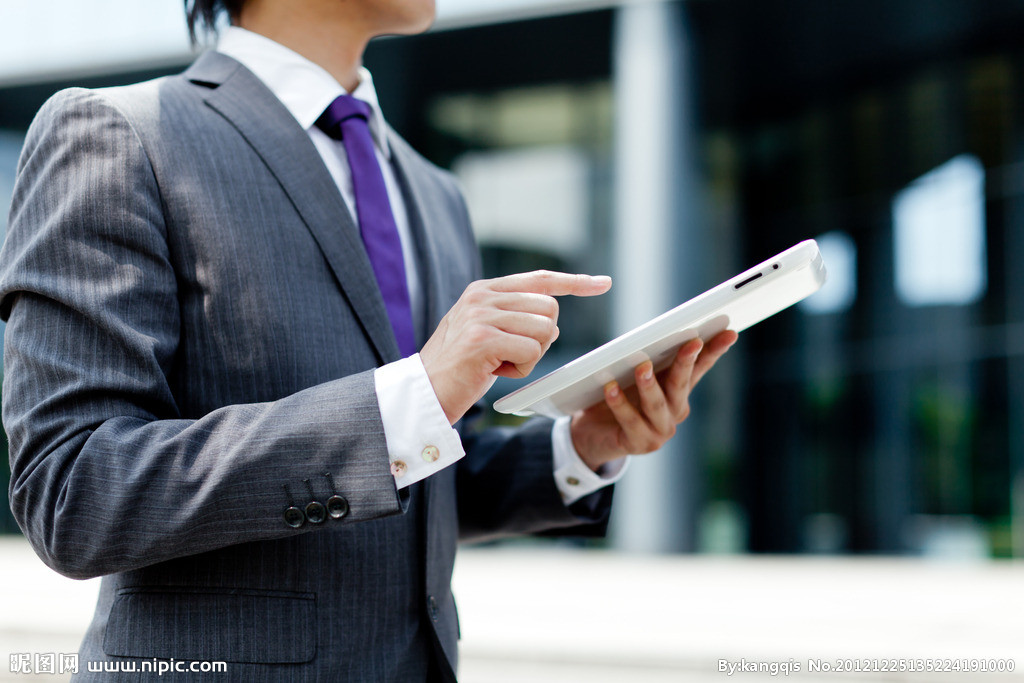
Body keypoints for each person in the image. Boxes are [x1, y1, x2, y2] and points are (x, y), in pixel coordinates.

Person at [0, 0, 737, 679]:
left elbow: (418, 471)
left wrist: (581, 445)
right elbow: (74, 491)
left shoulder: (433, 191)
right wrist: (407, 399)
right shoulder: (118, 135)